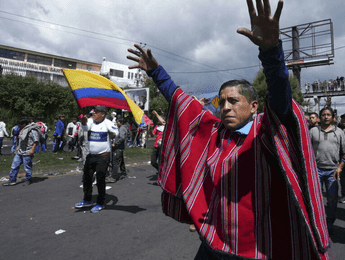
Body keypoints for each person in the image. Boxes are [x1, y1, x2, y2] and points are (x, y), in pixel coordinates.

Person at [127, 0, 330, 258]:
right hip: (214, 240)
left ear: (254, 105)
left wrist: (270, 52)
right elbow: (181, 101)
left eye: (233, 101)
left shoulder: (267, 133)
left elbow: (280, 97)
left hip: (257, 249)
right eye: (221, 102)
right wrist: (157, 72)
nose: (225, 107)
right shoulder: (215, 132)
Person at [75, 106, 118, 213]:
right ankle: (87, 199)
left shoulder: (108, 123)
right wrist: (83, 122)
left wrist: (111, 133)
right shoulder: (90, 121)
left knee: (100, 180)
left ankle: (100, 203)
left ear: (102, 114)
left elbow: (115, 134)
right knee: (87, 178)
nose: (93, 113)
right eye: (93, 112)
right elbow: (85, 127)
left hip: (103, 156)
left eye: (96, 112)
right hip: (91, 155)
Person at [310, 107, 345, 235]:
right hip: (316, 171)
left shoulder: (340, 132)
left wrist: (340, 167)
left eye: (328, 114)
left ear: (333, 117)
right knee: (315, 199)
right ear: (320, 117)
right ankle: (317, 224)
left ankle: (329, 222)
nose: (326, 117)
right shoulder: (313, 131)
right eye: (323, 114)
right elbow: (306, 150)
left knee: (332, 200)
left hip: (333, 172)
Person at [2, 117, 40, 186]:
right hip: (20, 150)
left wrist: (32, 149)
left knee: (27, 167)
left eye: (19, 124)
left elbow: (36, 140)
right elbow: (21, 140)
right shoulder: (22, 130)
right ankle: (12, 179)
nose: (18, 126)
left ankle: (28, 179)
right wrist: (17, 148)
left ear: (24, 124)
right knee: (14, 165)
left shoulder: (32, 130)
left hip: (27, 151)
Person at [107, 115, 128, 183]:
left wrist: (115, 143)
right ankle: (123, 173)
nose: (116, 123)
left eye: (117, 122)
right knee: (120, 160)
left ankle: (113, 177)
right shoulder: (121, 128)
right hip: (119, 147)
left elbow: (122, 138)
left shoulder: (122, 128)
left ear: (120, 122)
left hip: (118, 147)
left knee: (115, 162)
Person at [150, 110, 165, 175]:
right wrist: (151, 129)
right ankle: (159, 169)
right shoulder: (157, 126)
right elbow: (152, 134)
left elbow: (162, 122)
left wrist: (156, 114)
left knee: (160, 161)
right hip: (156, 146)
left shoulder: (165, 125)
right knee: (153, 161)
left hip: (162, 146)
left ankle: (161, 173)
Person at [339, 113, 345, 204]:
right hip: (342, 159)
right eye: (343, 119)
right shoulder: (342, 130)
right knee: (343, 179)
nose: (343, 121)